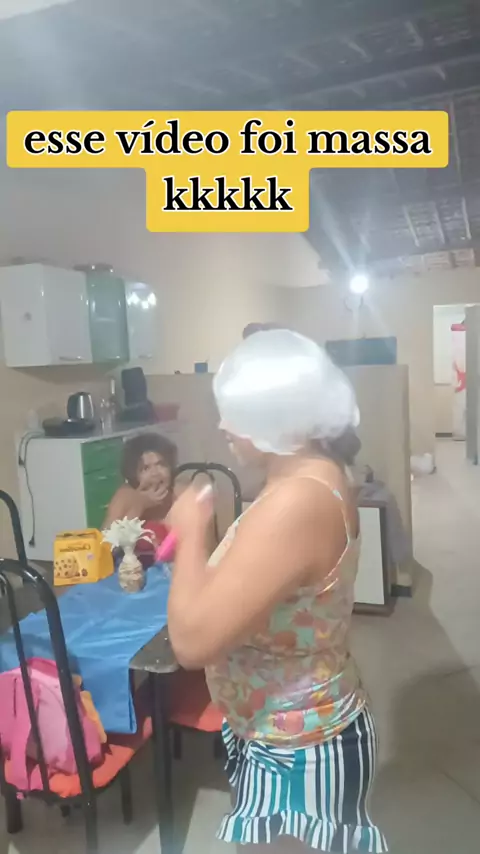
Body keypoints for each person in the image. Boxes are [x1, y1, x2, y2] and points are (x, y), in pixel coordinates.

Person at [168, 330, 387, 853]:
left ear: (276, 417)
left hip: (297, 747)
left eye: (235, 413)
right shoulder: (307, 475)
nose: (222, 425)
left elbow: (191, 643)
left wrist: (191, 533)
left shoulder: (297, 501)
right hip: (276, 729)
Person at [103, 432, 177, 528]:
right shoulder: (125, 496)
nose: (155, 473)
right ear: (133, 473)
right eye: (146, 468)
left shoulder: (178, 493)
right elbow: (108, 535)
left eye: (161, 465)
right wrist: (141, 504)